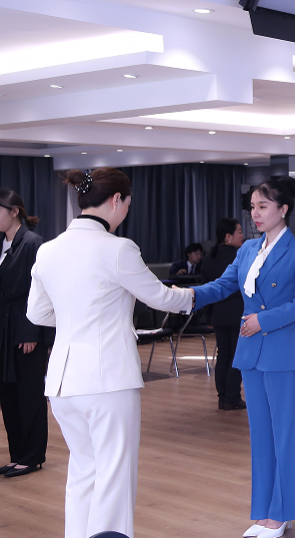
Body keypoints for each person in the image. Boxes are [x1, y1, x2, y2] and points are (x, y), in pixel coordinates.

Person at [27, 169, 194, 538]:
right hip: (108, 380)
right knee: (114, 475)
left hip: (62, 383)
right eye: (128, 204)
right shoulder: (118, 248)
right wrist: (192, 297)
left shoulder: (48, 250)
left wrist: (75, 316)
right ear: (117, 200)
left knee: (83, 470)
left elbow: (36, 314)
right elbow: (160, 296)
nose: (126, 212)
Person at [191, 177, 295, 538]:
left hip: (281, 352)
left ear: (283, 209)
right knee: (260, 435)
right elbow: (223, 286)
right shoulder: (246, 250)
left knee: (284, 434)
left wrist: (264, 320)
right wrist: (187, 297)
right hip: (251, 353)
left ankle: (282, 512)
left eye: (263, 207)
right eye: (253, 207)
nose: (255, 214)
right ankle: (265, 512)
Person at [0, 189, 49, 478]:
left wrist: (31, 331)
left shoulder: (33, 243)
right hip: (5, 328)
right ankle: (17, 454)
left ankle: (32, 456)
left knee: (29, 392)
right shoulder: (2, 244)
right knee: (7, 393)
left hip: (25, 325)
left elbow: (40, 290)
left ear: (14, 211)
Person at [202, 218, 246, 411]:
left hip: (218, 314)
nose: (242, 236)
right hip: (238, 313)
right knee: (237, 355)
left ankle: (223, 396)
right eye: (239, 231)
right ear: (228, 236)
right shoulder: (240, 257)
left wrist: (208, 317)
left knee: (224, 355)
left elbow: (206, 289)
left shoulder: (207, 259)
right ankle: (232, 396)